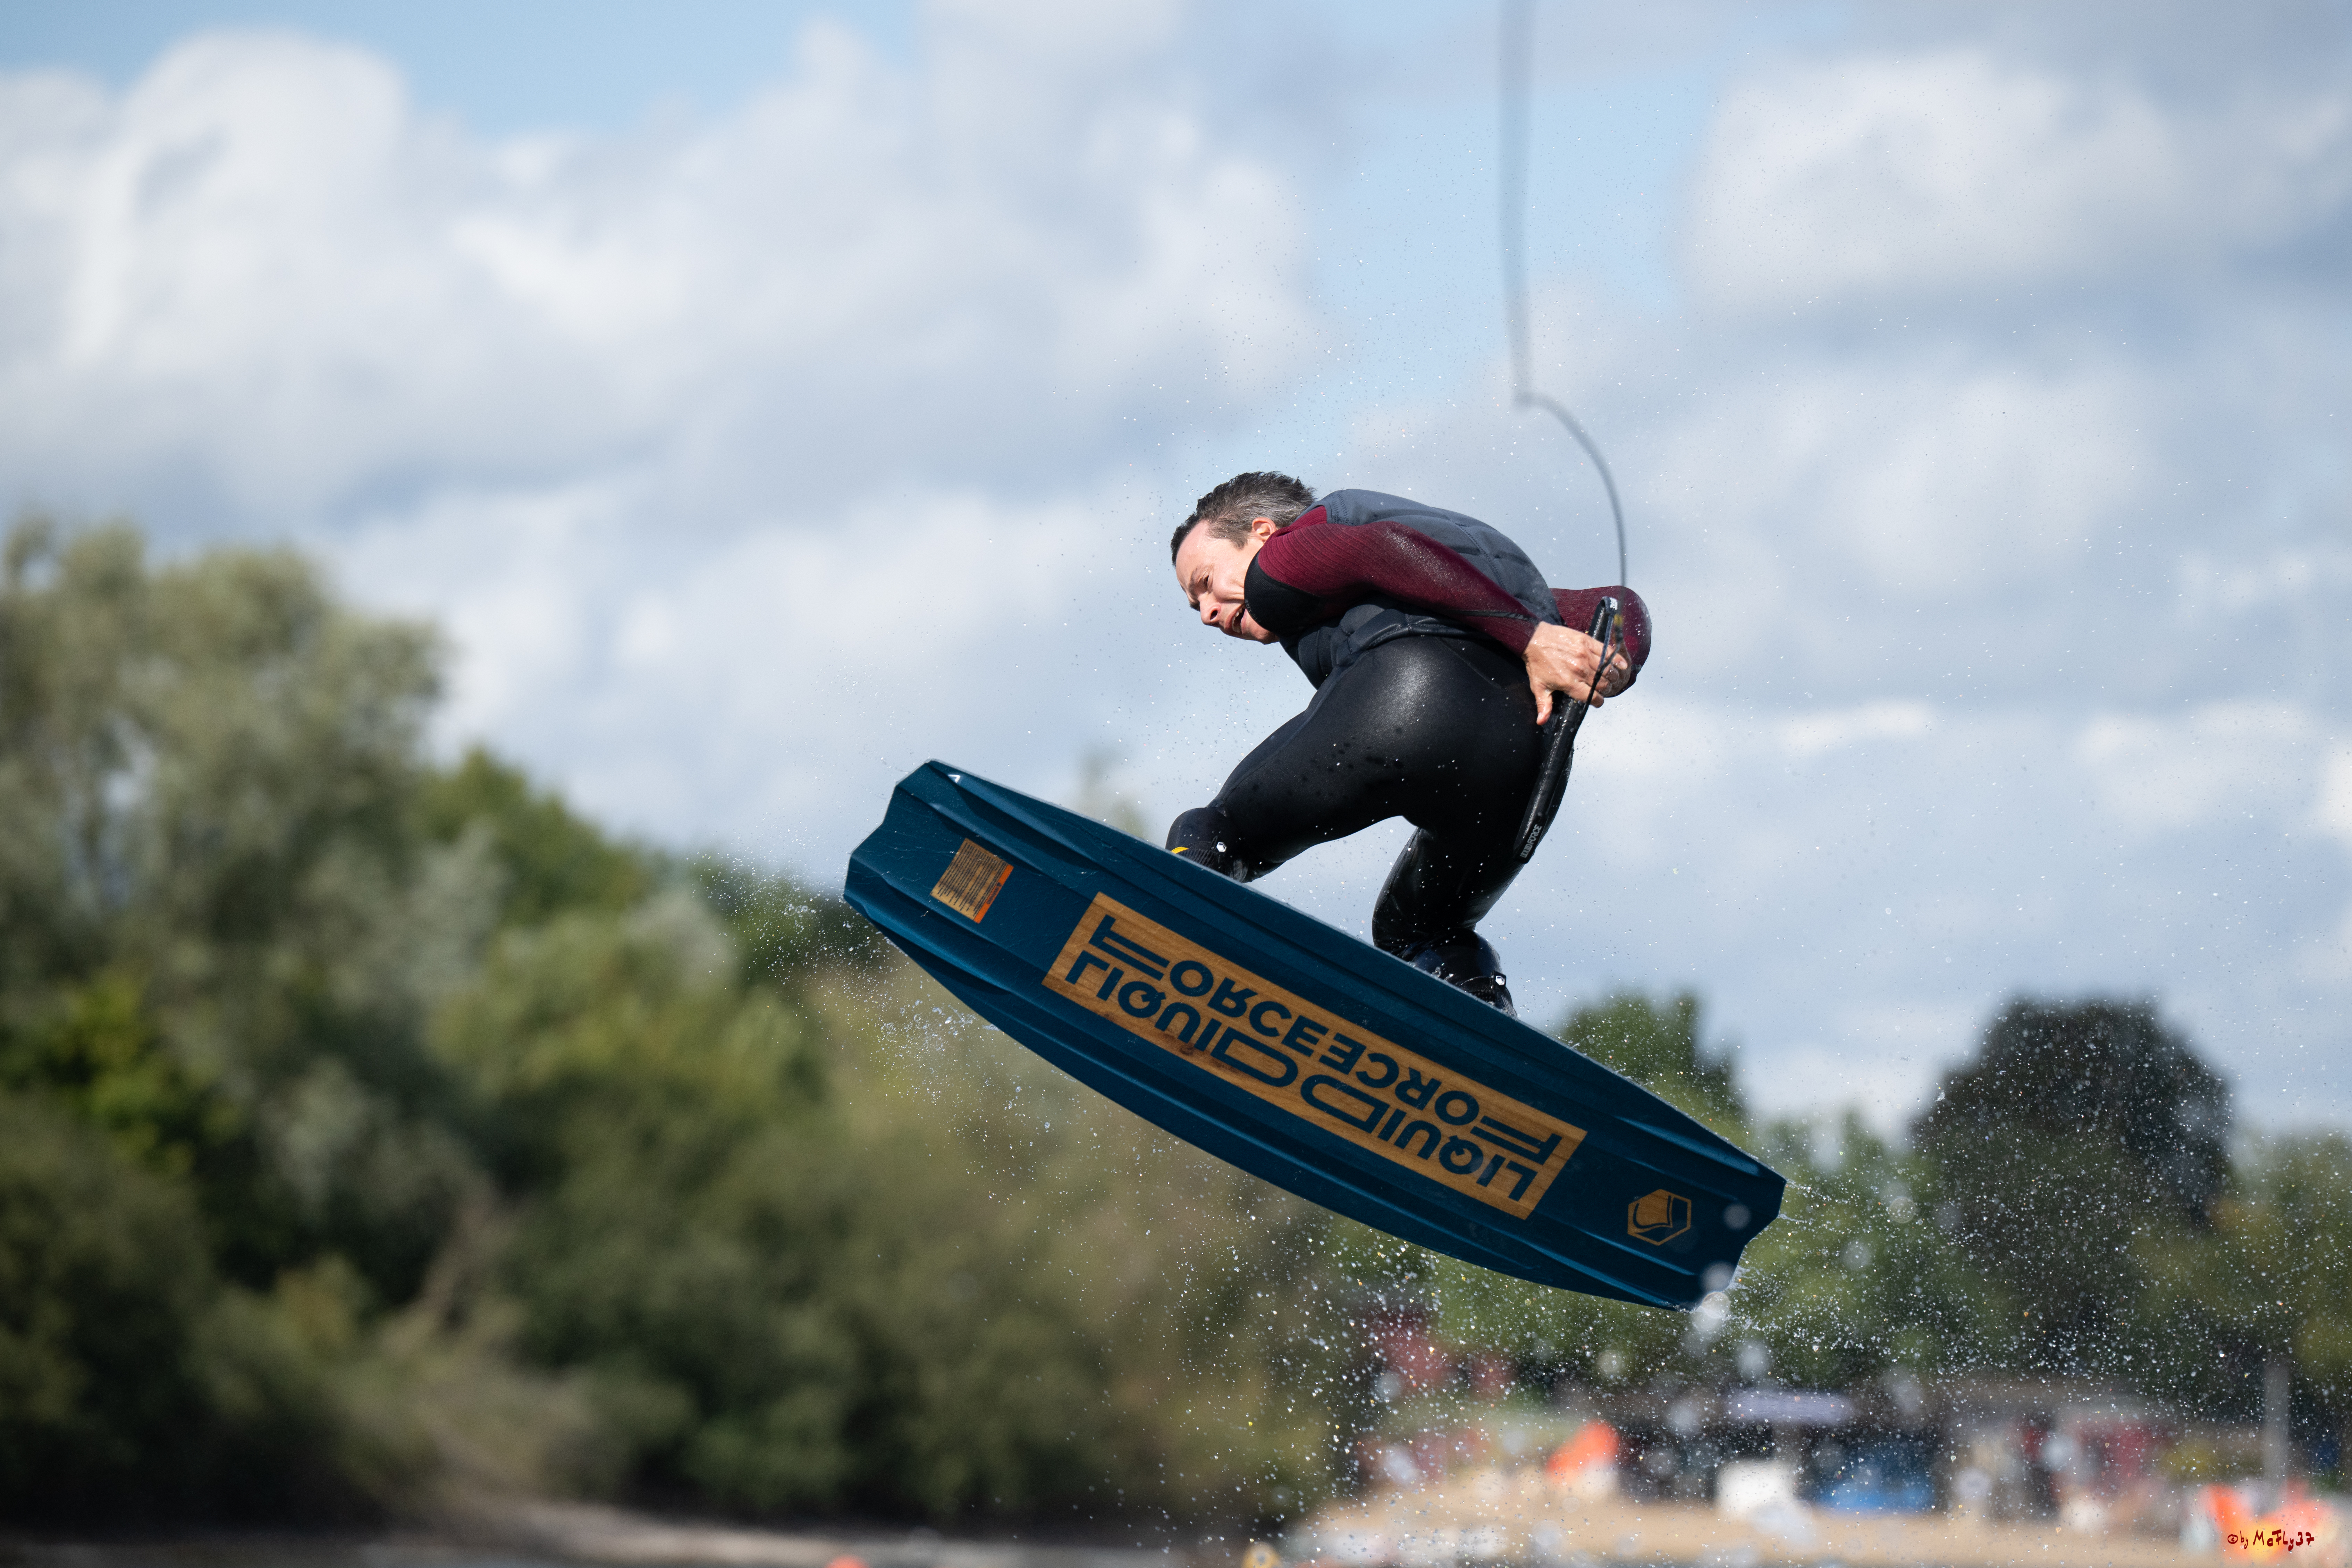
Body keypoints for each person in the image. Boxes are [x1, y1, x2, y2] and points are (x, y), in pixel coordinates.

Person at [1165, 472, 1650, 1016]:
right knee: (1423, 930)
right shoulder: (1476, 580)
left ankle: (1155, 947)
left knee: (1218, 832)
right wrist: (1605, 662)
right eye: (1194, 605)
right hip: (1523, 764)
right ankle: (1481, 1040)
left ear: (1259, 532)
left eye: (1205, 582)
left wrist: (1532, 639)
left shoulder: (1285, 554)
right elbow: (1616, 605)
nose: (1207, 613)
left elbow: (1380, 550)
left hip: (1407, 701)